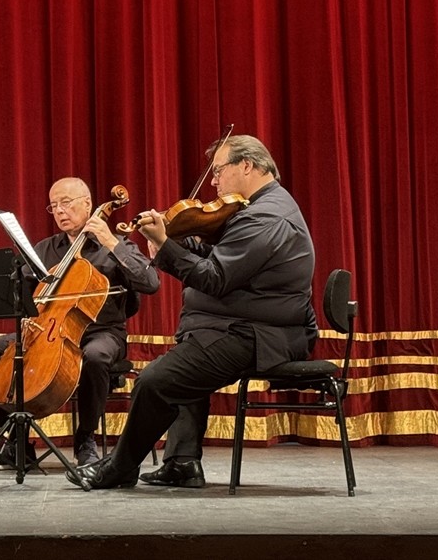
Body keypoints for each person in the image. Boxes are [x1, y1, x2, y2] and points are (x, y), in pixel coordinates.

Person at [69, 134, 318, 490]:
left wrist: (165, 245)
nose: (213, 181)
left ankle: (120, 468)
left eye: (219, 171)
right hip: (243, 327)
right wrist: (170, 240)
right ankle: (181, 463)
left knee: (155, 382)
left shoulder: (266, 217)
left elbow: (215, 277)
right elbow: (217, 254)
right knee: (190, 350)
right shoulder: (256, 207)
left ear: (247, 166)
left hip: (261, 336)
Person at [0, 177, 160, 468]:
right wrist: (23, 302)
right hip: (48, 330)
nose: (60, 211)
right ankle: (15, 442)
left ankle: (85, 439)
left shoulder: (116, 244)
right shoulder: (46, 249)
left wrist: (110, 241)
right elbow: (21, 292)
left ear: (88, 204)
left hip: (102, 332)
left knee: (95, 356)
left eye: (66, 203)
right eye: (53, 206)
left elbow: (150, 282)